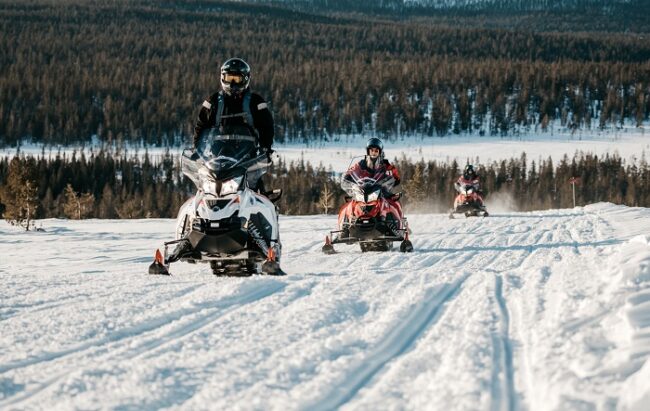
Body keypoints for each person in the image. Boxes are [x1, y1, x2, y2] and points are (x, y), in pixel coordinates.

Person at [192, 57, 275, 192]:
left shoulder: (255, 101)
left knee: (254, 185)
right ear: (222, 78)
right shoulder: (213, 101)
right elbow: (201, 125)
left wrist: (266, 148)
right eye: (229, 78)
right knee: (207, 188)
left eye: (237, 79)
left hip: (247, 156)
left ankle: (262, 208)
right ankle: (199, 211)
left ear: (246, 79)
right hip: (217, 156)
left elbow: (267, 126)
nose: (233, 83)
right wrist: (197, 148)